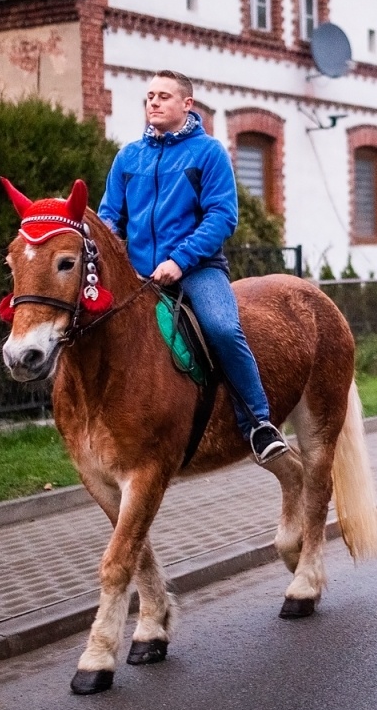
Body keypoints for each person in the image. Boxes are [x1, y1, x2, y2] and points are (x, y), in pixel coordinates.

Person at [97, 71, 288, 465]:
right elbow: (108, 217)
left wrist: (178, 261)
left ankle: (258, 423)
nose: (153, 102)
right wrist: (111, 253)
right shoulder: (128, 156)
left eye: (163, 96)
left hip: (198, 269)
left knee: (221, 326)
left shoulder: (208, 153)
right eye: (149, 96)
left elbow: (222, 217)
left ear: (187, 104)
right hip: (136, 274)